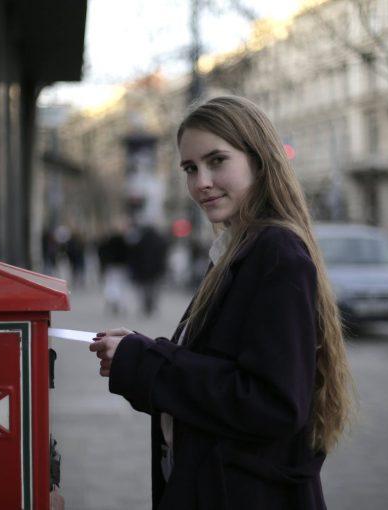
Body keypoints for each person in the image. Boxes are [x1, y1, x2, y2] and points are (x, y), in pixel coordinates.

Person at [89, 96, 356, 510]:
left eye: (217, 161)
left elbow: (273, 403)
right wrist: (140, 350)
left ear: (259, 160)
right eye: (190, 169)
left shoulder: (275, 252)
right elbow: (224, 366)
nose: (201, 183)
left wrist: (145, 362)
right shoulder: (240, 248)